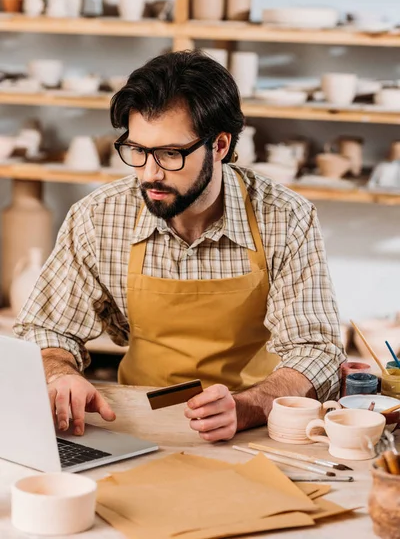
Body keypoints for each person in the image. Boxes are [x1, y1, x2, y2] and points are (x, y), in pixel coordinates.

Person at [14, 50, 345, 443]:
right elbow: (42, 330)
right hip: (139, 421)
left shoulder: (285, 218)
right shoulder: (98, 217)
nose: (150, 173)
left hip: (255, 425)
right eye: (138, 150)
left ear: (219, 146)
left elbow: (317, 351)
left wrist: (244, 407)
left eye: (171, 153)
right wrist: (61, 373)